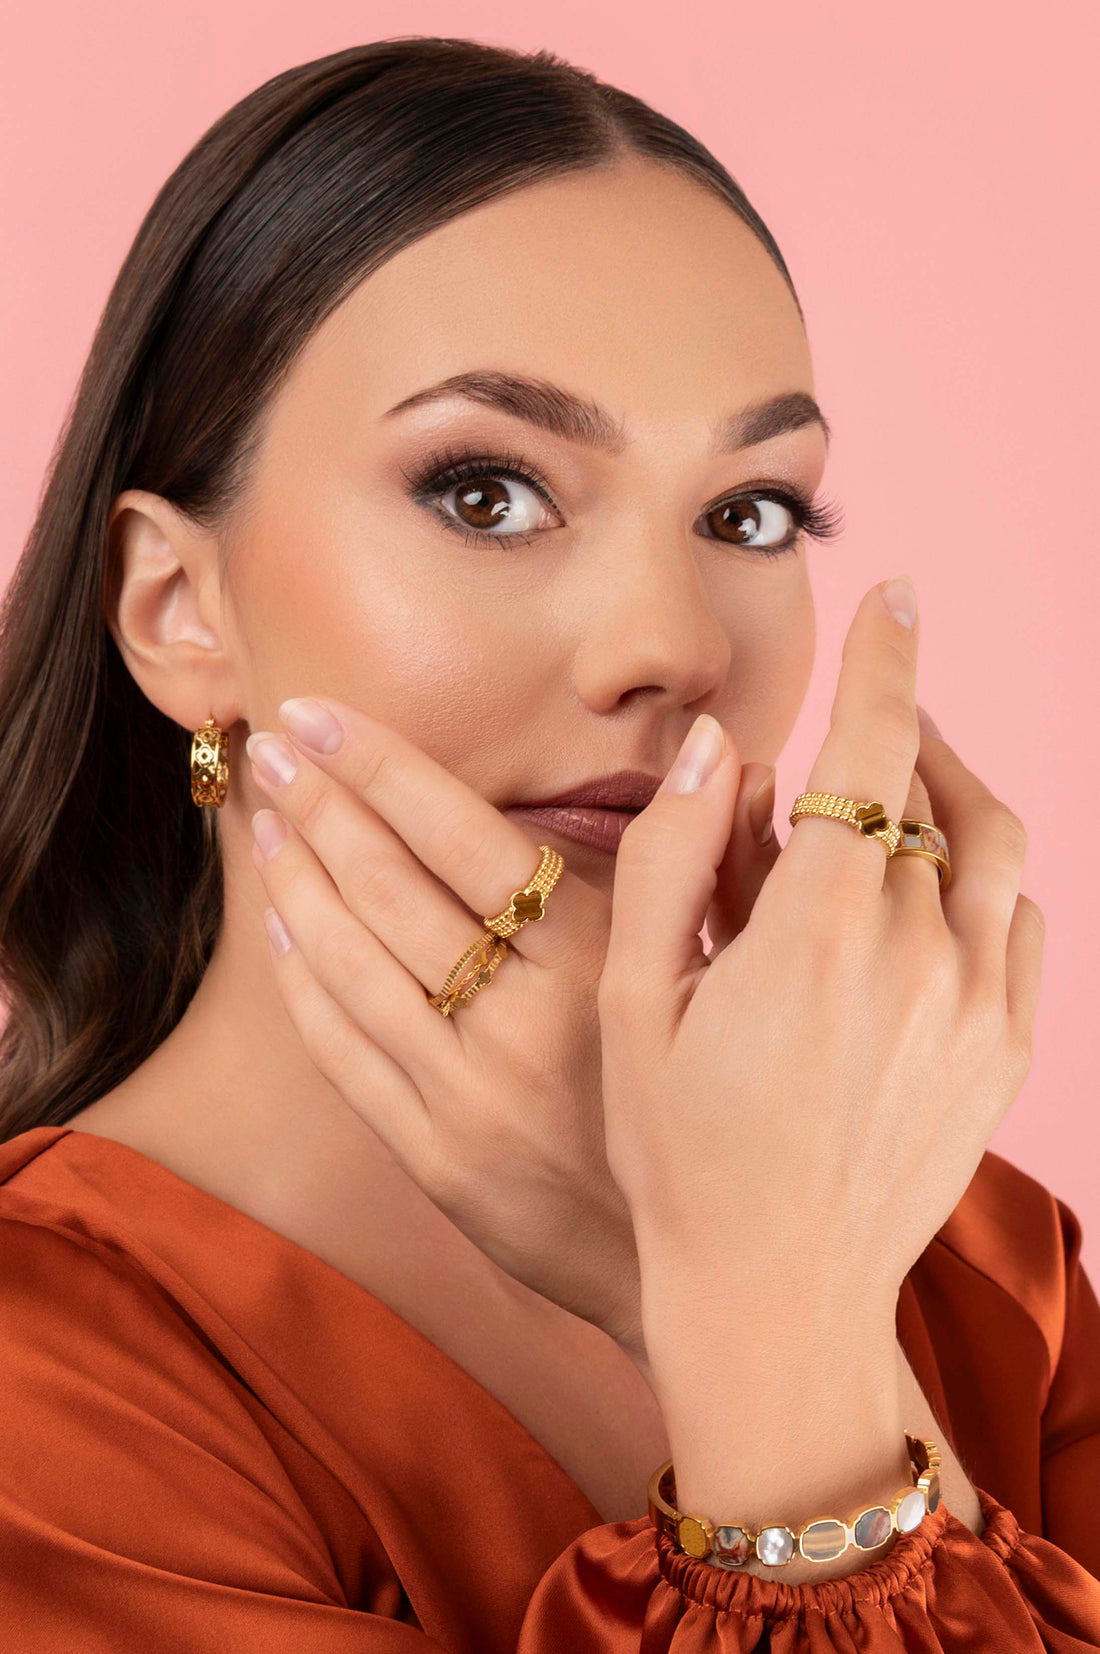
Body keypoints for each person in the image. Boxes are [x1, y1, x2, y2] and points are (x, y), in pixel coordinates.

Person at [0, 35, 1096, 1651]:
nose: (673, 647)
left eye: (748, 514)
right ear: (177, 606)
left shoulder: (963, 1255)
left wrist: (735, 1288)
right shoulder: (45, 1392)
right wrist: (756, 1331)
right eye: (487, 493)